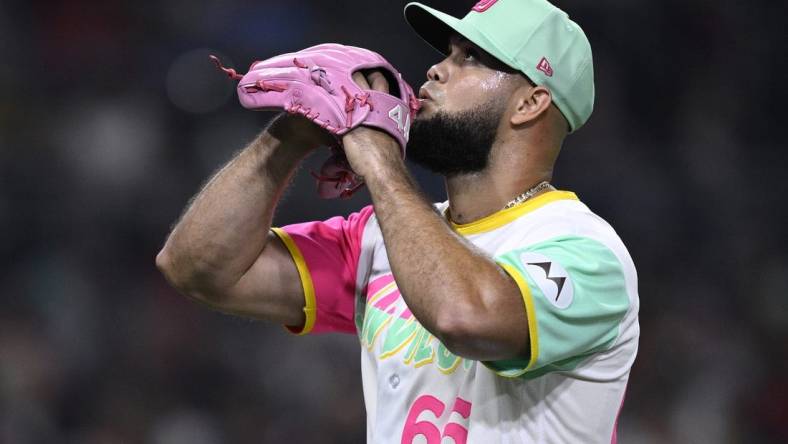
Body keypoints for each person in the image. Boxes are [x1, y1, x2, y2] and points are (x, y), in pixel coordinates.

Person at [156, 0, 640, 442]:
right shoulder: (378, 235)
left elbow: (466, 317)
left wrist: (381, 163)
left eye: (469, 57)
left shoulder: (587, 252)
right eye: (447, 52)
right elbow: (197, 267)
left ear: (531, 102)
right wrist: (290, 134)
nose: (436, 69)